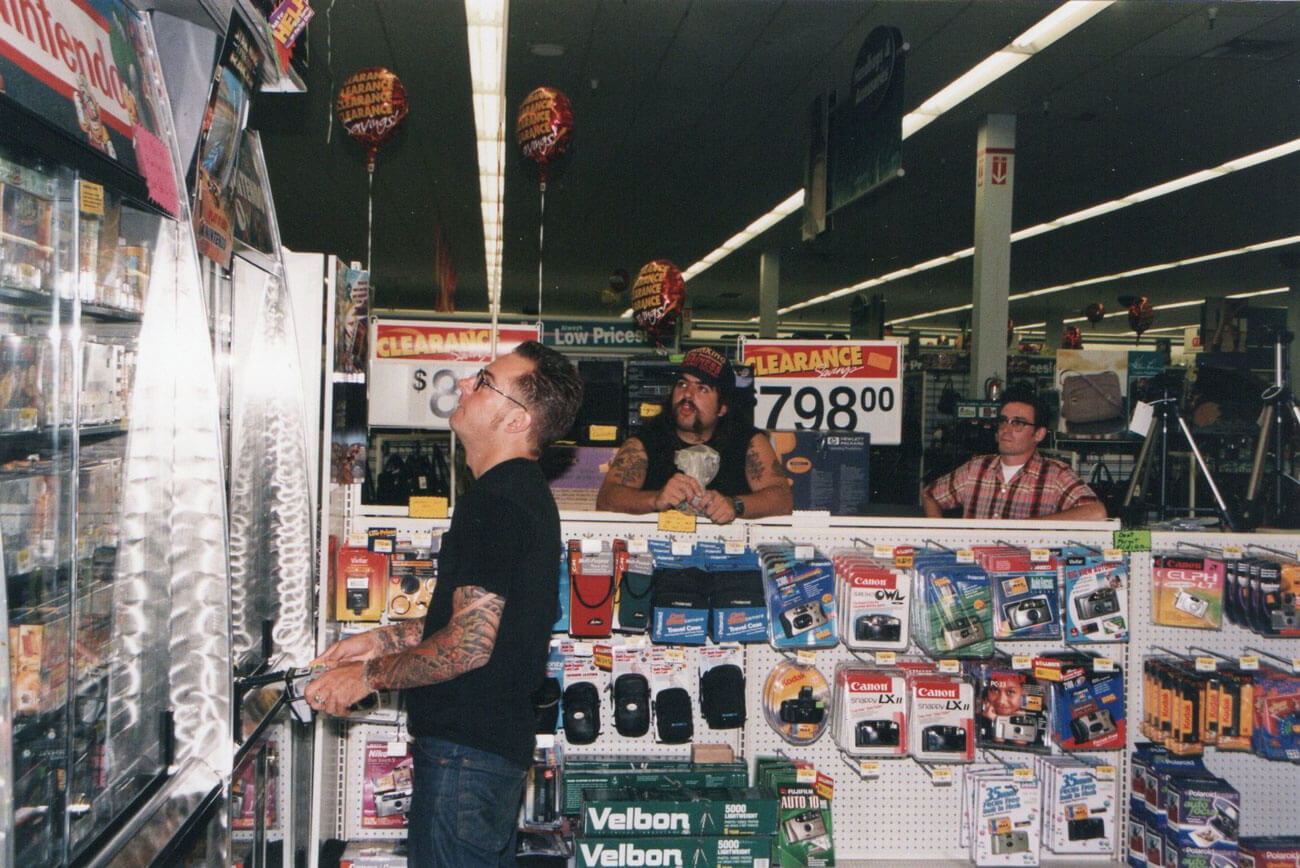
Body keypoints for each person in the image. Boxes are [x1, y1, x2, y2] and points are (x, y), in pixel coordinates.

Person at [306, 341, 582, 867]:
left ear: (517, 419)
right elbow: (478, 623)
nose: (462, 385)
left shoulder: (498, 500)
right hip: (480, 760)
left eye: (483, 382)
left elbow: (467, 648)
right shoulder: (517, 494)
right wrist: (378, 639)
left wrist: (368, 676)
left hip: (465, 762)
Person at [596, 347, 792, 523]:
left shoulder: (748, 442)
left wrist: (735, 505)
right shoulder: (644, 441)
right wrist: (655, 499)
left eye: (702, 388)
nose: (688, 395)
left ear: (722, 407)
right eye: (682, 384)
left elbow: (782, 500)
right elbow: (606, 500)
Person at [922, 385, 1107, 521]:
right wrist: (944, 543)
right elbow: (930, 495)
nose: (1006, 429)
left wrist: (1033, 528)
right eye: (1003, 421)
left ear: (1039, 434)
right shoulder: (976, 468)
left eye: (1018, 423)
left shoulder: (1056, 475)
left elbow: (1096, 512)